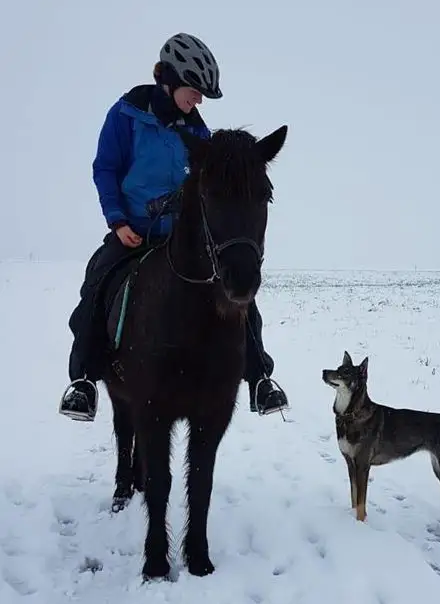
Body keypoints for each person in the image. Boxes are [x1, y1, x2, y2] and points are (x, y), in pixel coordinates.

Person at [59, 33, 289, 421]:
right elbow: (106, 168)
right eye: (195, 91)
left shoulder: (199, 133)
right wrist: (117, 221)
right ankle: (83, 381)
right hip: (132, 233)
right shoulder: (126, 114)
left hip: (181, 241)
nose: (198, 100)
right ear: (169, 78)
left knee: (240, 296)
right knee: (97, 282)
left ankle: (259, 379)